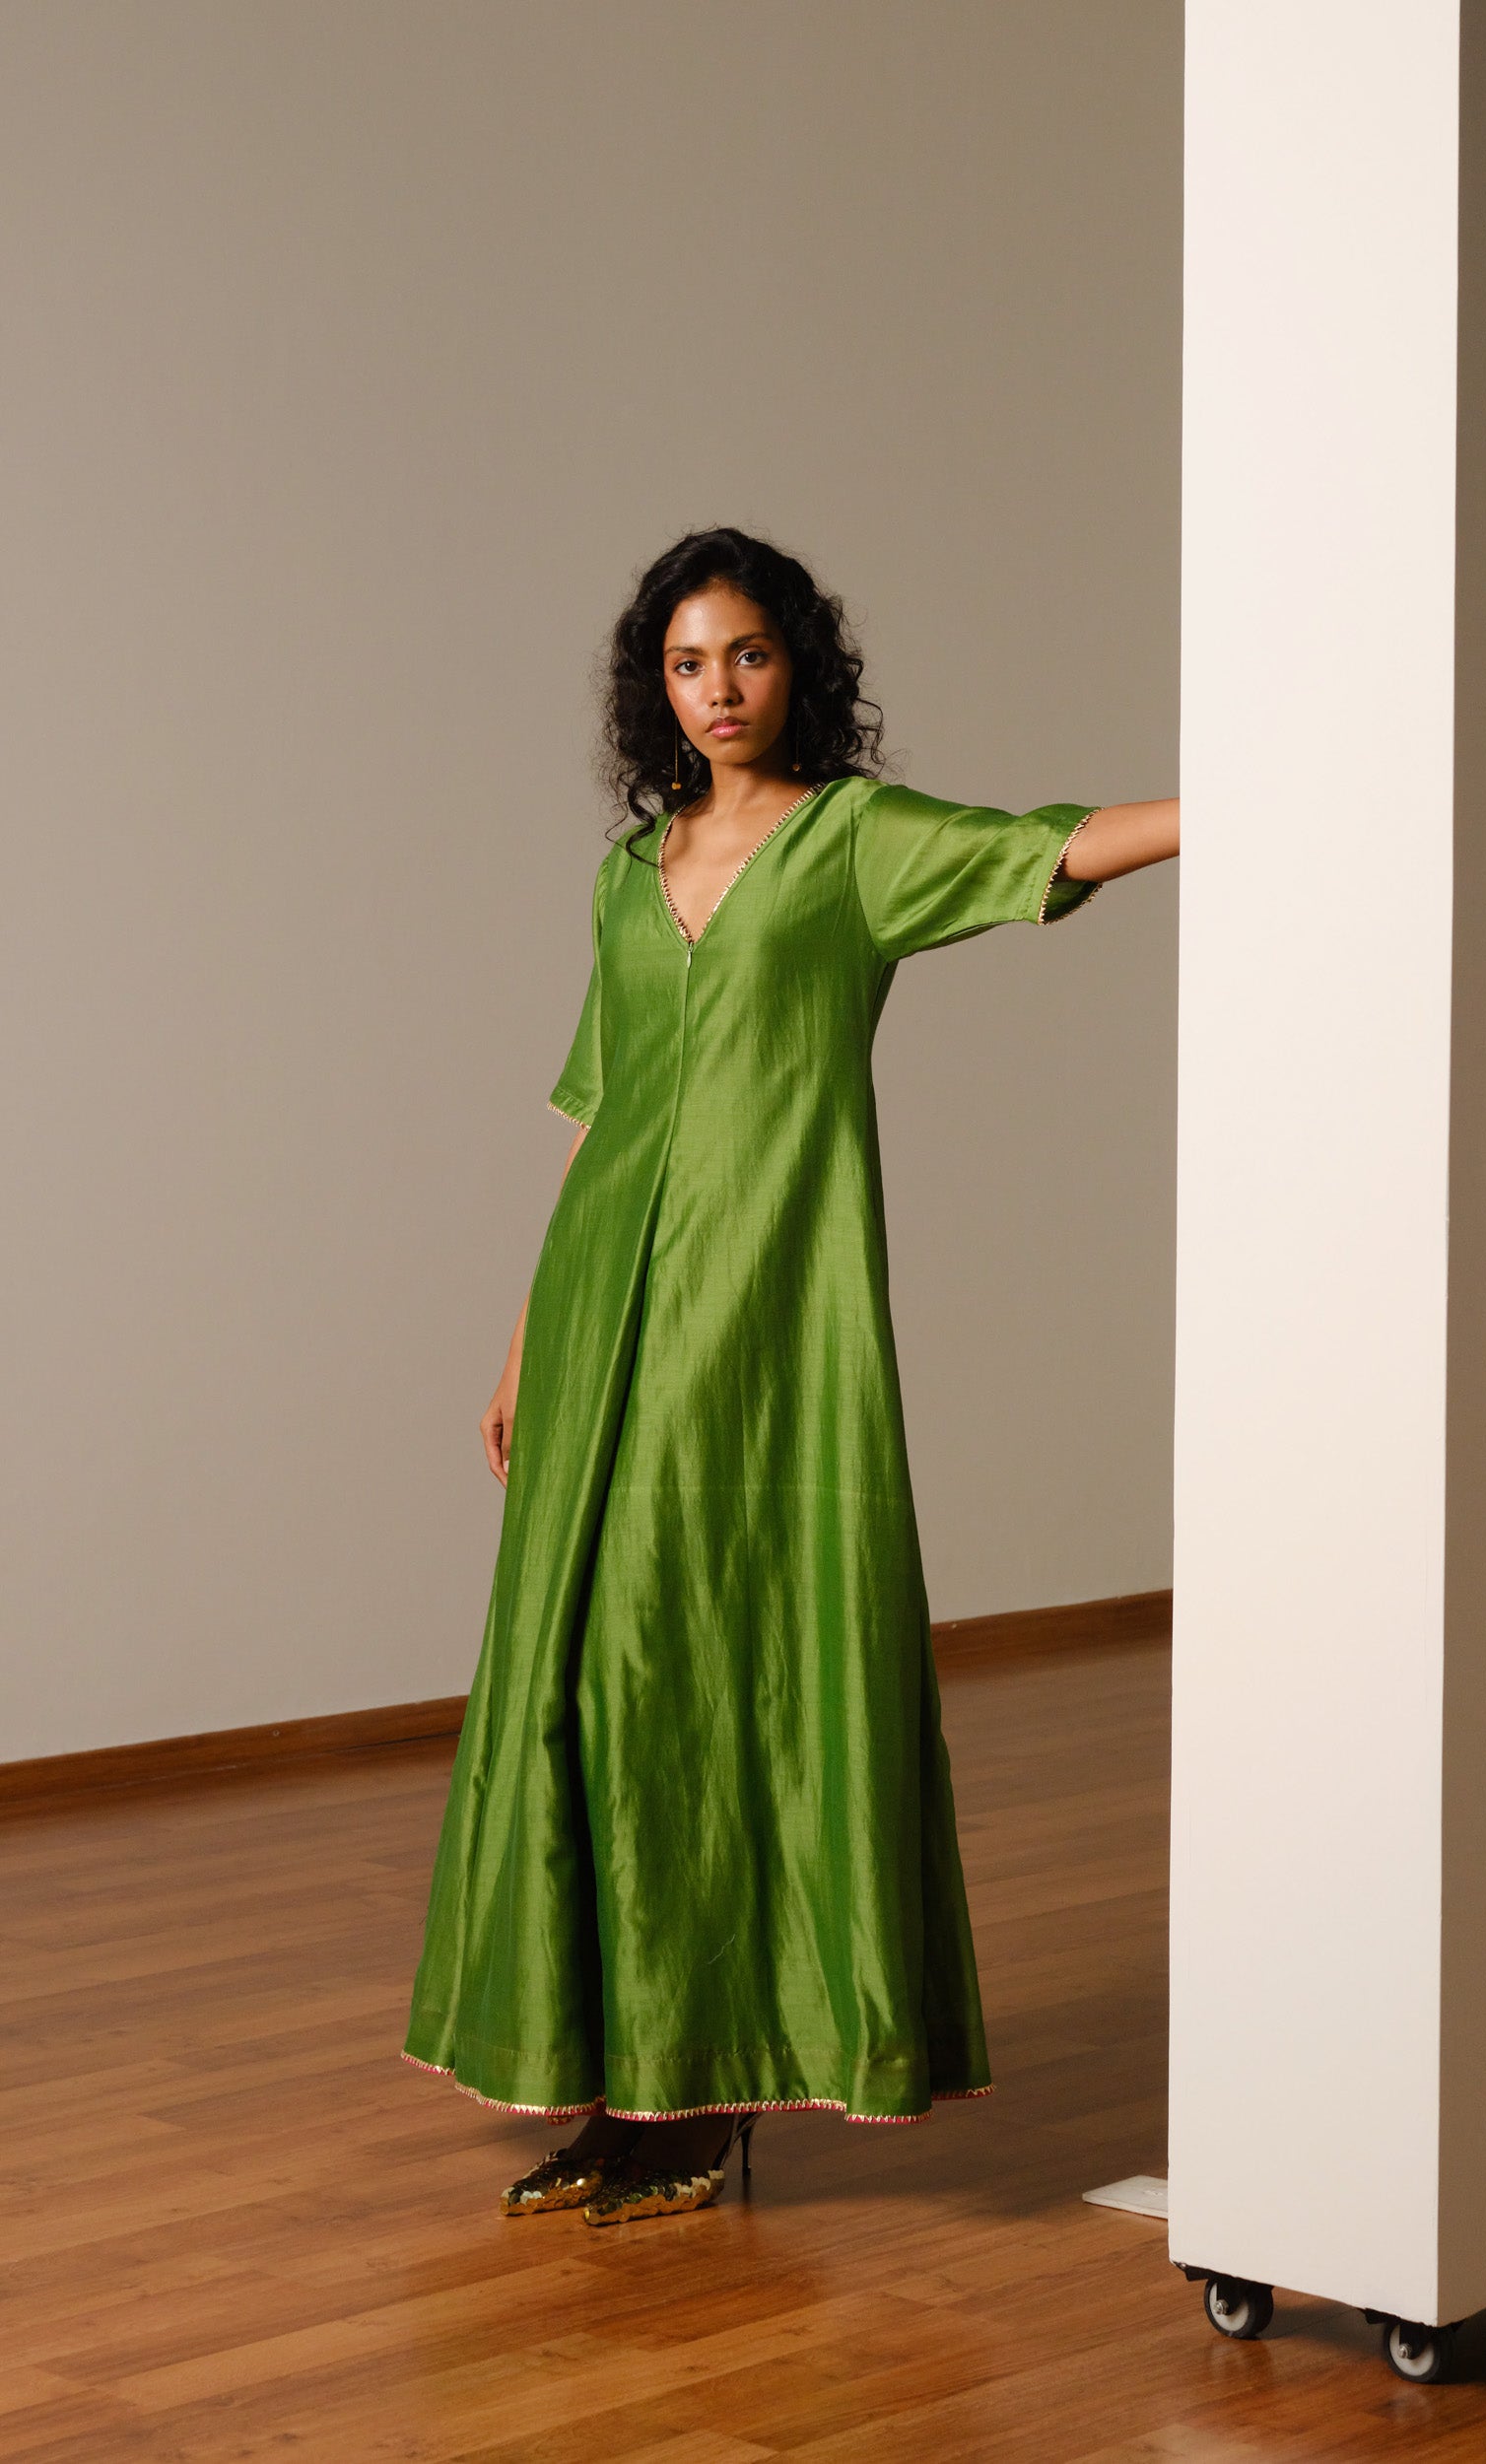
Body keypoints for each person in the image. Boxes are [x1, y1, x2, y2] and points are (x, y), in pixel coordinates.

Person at [403, 526, 1180, 2227]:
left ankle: (708, 2086)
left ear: (797, 664)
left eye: (747, 654)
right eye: (688, 663)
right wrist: (526, 1339)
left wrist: (1248, 796)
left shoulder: (850, 844)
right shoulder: (629, 871)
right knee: (588, 1685)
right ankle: (620, 2082)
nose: (720, 689)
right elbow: (601, 1110)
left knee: (706, 1666)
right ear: (655, 687)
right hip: (601, 1306)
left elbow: (1049, 849)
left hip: (760, 1316)